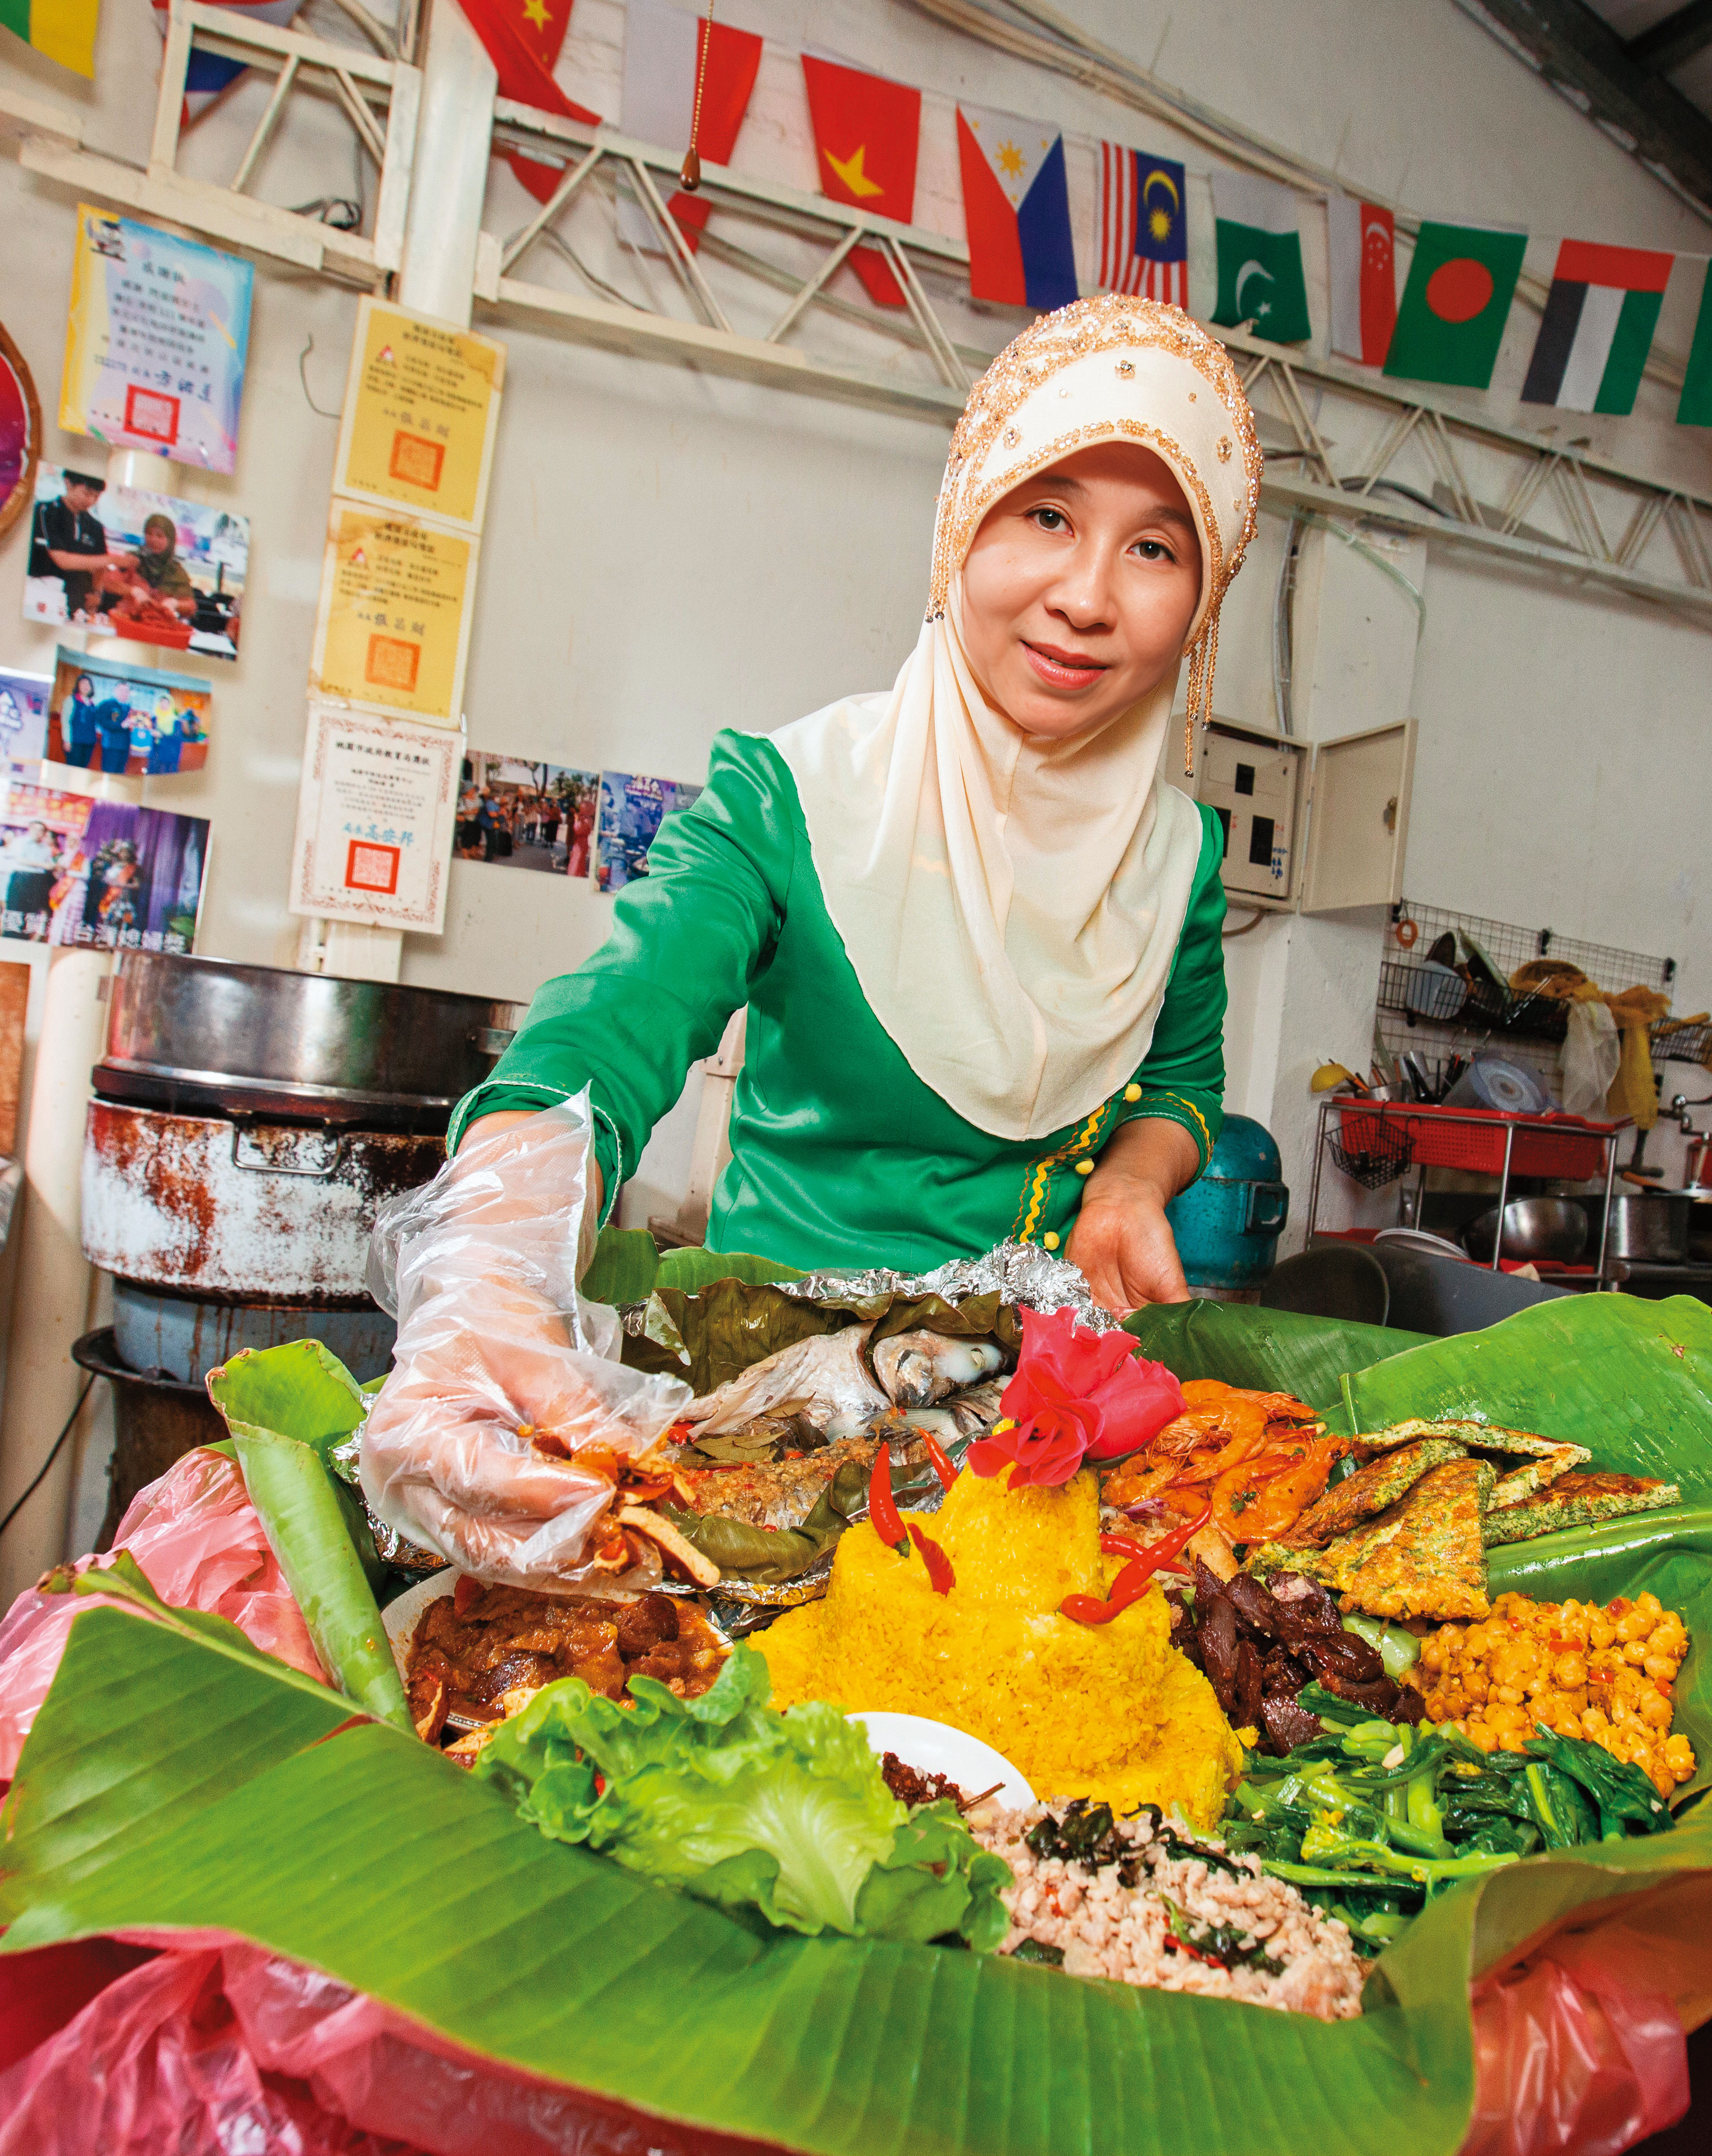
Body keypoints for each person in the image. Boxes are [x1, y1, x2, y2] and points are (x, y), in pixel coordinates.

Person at [358, 298, 1254, 1586]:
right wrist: (490, 1263)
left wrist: (1129, 1181)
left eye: (1155, 548)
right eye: (1045, 513)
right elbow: (610, 1018)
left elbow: (1179, 1082)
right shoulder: (789, 801)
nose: (1084, 595)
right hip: (772, 1426)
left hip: (1030, 1437)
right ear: (963, 517)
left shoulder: (1179, 863)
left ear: (1200, 605)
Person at [29, 472, 110, 620]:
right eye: (87, 493)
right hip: (42, 594)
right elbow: (63, 561)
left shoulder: (95, 526)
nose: (91, 501)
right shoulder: (46, 512)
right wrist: (112, 561)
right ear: (68, 483)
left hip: (77, 599)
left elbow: (101, 565)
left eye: (96, 496)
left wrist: (97, 594)